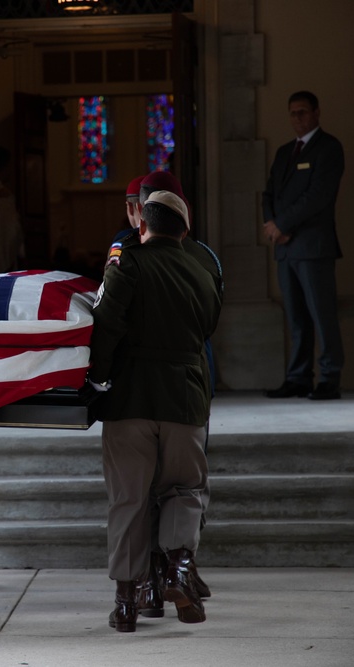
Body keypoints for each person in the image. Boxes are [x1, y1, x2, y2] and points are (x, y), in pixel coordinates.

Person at [89, 190, 221, 633]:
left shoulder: (126, 262)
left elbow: (106, 323)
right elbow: (208, 325)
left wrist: (98, 379)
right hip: (185, 397)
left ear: (142, 226)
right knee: (184, 488)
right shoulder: (204, 266)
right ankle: (179, 571)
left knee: (128, 497)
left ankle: (127, 602)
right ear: (184, 230)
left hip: (129, 398)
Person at [262, 90, 345, 401]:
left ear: (316, 112)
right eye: (292, 113)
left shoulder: (329, 148)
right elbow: (269, 193)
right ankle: (298, 378)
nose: (297, 118)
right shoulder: (285, 152)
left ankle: (329, 377)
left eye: (303, 112)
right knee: (296, 317)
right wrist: (272, 225)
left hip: (312, 247)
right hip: (285, 249)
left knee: (322, 314)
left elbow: (319, 195)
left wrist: (283, 225)